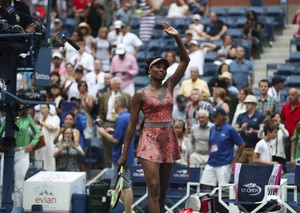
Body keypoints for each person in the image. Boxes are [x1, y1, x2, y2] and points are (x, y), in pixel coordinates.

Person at [117, 22, 190, 213]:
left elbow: (185, 61)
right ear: (149, 70)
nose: (162, 69)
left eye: (164, 67)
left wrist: (177, 37)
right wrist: (125, 153)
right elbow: (132, 125)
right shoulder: (140, 94)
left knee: (163, 192)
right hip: (149, 138)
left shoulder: (169, 86)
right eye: (157, 67)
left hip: (168, 137)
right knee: (154, 188)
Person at [98, 96, 135, 213]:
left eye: (114, 103)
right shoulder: (129, 116)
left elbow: (115, 140)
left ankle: (128, 211)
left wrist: (103, 132)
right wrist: (114, 131)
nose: (113, 105)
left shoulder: (120, 118)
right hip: (124, 154)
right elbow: (124, 134)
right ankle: (129, 209)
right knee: (115, 186)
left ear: (117, 105)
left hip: (121, 156)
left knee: (126, 185)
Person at [0, 109, 40, 207]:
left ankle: (17, 209)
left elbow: (37, 133)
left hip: (23, 153)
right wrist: (1, 149)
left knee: (19, 186)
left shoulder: (28, 118)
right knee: (1, 184)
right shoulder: (7, 118)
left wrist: (32, 144)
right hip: (8, 153)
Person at [200, 108, 245, 190]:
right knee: (205, 185)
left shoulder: (230, 129)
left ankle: (222, 203)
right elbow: (210, 143)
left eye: (215, 116)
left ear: (221, 117)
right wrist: (210, 153)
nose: (213, 118)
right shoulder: (212, 128)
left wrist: (236, 159)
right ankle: (207, 202)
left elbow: (241, 144)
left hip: (224, 163)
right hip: (211, 162)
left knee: (223, 189)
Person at [0, 0, 35, 93]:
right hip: (2, 40)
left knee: (11, 48)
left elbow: (31, 27)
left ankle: (2, 80)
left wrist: (23, 31)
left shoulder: (21, 7)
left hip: (19, 42)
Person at [99, 77, 132, 168]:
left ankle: (120, 166)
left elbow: (130, 110)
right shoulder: (104, 96)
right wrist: (101, 124)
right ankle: (108, 168)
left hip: (122, 121)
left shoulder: (127, 96)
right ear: (111, 85)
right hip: (108, 122)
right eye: (115, 84)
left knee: (121, 145)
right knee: (107, 148)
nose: (118, 86)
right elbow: (101, 113)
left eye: (119, 84)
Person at [234, 95, 265, 164]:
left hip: (255, 148)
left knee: (253, 168)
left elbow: (263, 132)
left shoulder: (260, 116)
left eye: (248, 103)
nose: (246, 105)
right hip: (243, 147)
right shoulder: (241, 116)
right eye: (246, 103)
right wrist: (241, 129)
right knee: (240, 167)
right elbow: (235, 129)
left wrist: (253, 131)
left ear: (254, 105)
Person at [34, 105, 61, 171]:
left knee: (50, 168)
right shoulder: (38, 120)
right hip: (39, 149)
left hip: (49, 148)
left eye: (44, 108)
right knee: (38, 169)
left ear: (49, 109)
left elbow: (50, 127)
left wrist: (41, 122)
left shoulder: (54, 118)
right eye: (41, 108)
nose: (42, 110)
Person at [282, 88, 300, 161]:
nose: (290, 97)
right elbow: (282, 120)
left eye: (292, 95)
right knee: (286, 159)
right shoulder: (285, 107)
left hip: (297, 139)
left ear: (298, 96)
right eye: (289, 95)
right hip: (287, 137)